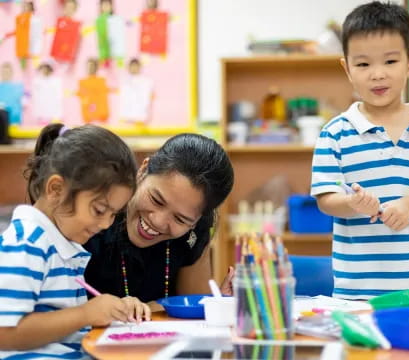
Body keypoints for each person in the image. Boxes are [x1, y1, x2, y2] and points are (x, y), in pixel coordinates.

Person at [311, 2, 409, 300]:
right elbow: (326, 199)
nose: (377, 74)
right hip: (356, 291)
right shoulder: (335, 133)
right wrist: (353, 203)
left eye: (390, 62)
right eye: (364, 64)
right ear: (347, 68)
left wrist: (408, 207)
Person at [0, 124, 150, 359]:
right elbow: (5, 333)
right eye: (99, 210)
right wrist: (86, 314)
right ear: (56, 189)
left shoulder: (60, 244)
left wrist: (113, 309)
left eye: (113, 214)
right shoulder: (27, 243)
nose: (106, 225)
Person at [84, 133, 235, 309]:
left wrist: (218, 304)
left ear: (196, 220)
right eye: (156, 200)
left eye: (180, 219)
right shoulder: (97, 210)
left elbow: (191, 310)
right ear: (143, 170)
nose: (158, 221)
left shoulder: (193, 235)